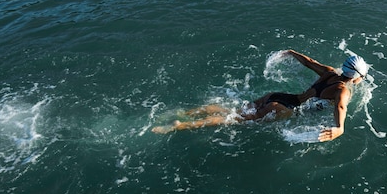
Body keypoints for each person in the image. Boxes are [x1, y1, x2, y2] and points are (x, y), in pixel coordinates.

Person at [151, 50, 369, 142]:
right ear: (357, 77)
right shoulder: (343, 90)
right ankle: (178, 125)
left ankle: (183, 112)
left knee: (234, 112)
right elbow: (341, 107)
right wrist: (340, 128)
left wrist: (292, 53)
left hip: (278, 96)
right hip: (284, 109)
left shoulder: (330, 72)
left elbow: (309, 61)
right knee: (235, 121)